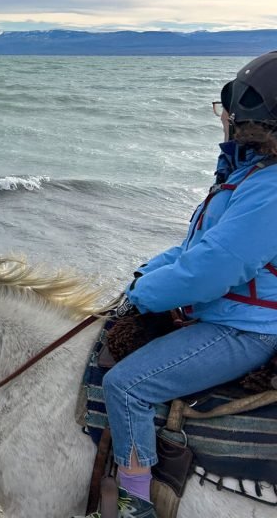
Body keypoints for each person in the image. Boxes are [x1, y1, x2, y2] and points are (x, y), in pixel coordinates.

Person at [83, 52, 277, 517]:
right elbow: (194, 250)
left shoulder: (269, 187)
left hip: (245, 330)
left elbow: (215, 268)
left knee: (127, 385)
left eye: (226, 112)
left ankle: (135, 503)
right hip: (229, 316)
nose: (223, 120)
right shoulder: (250, 176)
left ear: (252, 120)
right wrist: (142, 278)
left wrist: (144, 297)